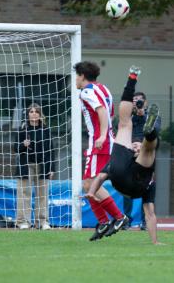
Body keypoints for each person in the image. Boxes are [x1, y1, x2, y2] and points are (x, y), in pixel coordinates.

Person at [86, 66, 163, 245]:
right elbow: (150, 213)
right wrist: (155, 242)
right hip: (138, 183)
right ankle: (148, 135)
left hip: (123, 180)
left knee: (124, 126)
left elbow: (100, 176)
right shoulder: (148, 178)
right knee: (147, 148)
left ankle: (132, 77)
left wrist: (91, 192)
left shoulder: (120, 161)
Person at [74, 61, 128, 241]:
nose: (75, 79)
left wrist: (102, 135)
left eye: (76, 76)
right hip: (104, 141)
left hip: (100, 142)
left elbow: (102, 111)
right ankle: (104, 221)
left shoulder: (86, 91)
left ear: (82, 76)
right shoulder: (103, 88)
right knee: (89, 184)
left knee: (90, 183)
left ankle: (119, 217)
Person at [122, 92, 161, 230]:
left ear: (145, 102)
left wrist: (142, 115)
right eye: (134, 101)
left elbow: (155, 132)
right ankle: (126, 220)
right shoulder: (127, 117)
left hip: (146, 154)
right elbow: (121, 131)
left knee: (147, 186)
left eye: (139, 101)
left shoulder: (152, 117)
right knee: (127, 187)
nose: (136, 103)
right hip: (130, 153)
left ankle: (145, 221)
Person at [14, 103, 54, 230]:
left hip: (42, 166)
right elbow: (15, 148)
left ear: (40, 114)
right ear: (28, 114)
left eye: (36, 111)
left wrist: (52, 168)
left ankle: (42, 222)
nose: (34, 114)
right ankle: (23, 221)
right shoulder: (22, 129)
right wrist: (22, 145)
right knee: (24, 193)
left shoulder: (45, 130)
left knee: (42, 195)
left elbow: (51, 150)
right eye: (31, 111)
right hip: (26, 166)